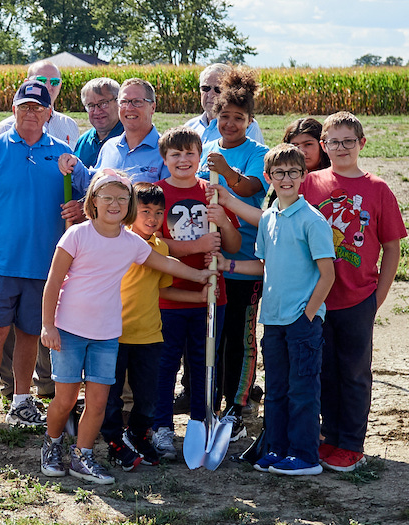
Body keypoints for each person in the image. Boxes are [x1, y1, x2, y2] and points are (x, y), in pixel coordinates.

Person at [39, 170, 214, 484]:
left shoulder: (131, 242)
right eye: (108, 197)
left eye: (122, 198)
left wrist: (201, 276)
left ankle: (83, 455)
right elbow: (53, 283)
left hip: (107, 334)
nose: (115, 203)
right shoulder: (77, 235)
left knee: (98, 402)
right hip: (69, 331)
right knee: (65, 399)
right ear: (93, 201)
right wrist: (48, 326)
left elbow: (167, 264)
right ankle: (51, 445)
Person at [0, 80, 87, 435]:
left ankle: (20, 402)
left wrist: (79, 205)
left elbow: (90, 199)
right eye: (24, 107)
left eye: (38, 107)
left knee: (31, 333)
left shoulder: (63, 155)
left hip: (44, 267)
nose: (31, 113)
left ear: (49, 113)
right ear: (14, 110)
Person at [213, 143, 336, 476]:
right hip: (272, 320)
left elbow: (328, 274)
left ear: (303, 176)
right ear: (268, 177)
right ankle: (278, 449)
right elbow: (264, 266)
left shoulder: (312, 220)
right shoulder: (268, 219)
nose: (286, 178)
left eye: (292, 172)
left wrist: (308, 314)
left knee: (303, 389)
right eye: (279, 173)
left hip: (301, 321)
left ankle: (304, 454)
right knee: (277, 390)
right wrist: (229, 265)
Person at [298, 111, 407, 471]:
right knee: (323, 370)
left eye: (348, 141)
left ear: (361, 144)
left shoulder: (377, 189)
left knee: (354, 372)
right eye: (334, 141)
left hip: (358, 297)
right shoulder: (310, 183)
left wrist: (379, 296)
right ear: (324, 145)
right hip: (315, 297)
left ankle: (351, 444)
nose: (341, 147)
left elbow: (392, 246)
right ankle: (329, 437)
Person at [99, 182, 208, 469]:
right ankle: (113, 440)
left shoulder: (159, 244)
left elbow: (164, 289)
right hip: (115, 333)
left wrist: (199, 295)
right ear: (131, 211)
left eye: (159, 212)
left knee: (148, 397)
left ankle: (139, 435)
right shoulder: (119, 240)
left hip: (149, 335)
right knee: (111, 397)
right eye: (145, 210)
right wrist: (199, 276)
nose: (152, 218)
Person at [0, 61, 84, 403]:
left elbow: (81, 180)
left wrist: (80, 204)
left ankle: (47, 385)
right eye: (40, 80)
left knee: (45, 316)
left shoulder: (67, 131)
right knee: (5, 325)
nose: (48, 84)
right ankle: (9, 387)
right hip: (10, 244)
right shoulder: (3, 132)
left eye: (54, 81)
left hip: (50, 242)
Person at [151, 127, 241, 459]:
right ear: (165, 159)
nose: (183, 160)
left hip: (211, 297)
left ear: (200, 155)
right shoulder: (157, 195)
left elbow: (232, 244)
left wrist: (225, 224)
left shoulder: (211, 192)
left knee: (206, 363)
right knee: (166, 363)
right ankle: (161, 426)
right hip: (168, 296)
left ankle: (202, 421)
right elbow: (151, 246)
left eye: (190, 153)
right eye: (175, 155)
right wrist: (195, 245)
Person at [199, 69, 270, 438]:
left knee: (240, 339)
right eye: (224, 116)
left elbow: (250, 187)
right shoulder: (206, 151)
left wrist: (225, 171)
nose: (230, 123)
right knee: (213, 334)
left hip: (243, 262)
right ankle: (207, 403)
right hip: (210, 263)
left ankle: (236, 406)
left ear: (250, 121)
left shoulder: (259, 153)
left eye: (238, 118)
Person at [93, 78, 170, 183]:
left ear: (153, 107)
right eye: (124, 102)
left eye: (137, 102)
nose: (129, 108)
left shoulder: (166, 151)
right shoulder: (109, 147)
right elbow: (93, 185)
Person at [0, 60, 80, 146]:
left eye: (54, 81)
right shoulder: (5, 128)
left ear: (60, 85)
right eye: (41, 80)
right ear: (27, 83)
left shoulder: (70, 125)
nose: (48, 87)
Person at [185, 63, 264, 144]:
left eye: (218, 89)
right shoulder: (190, 127)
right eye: (205, 88)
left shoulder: (247, 127)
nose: (210, 95)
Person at [74, 77, 124, 168]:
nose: (97, 111)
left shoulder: (129, 139)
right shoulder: (83, 142)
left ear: (118, 102)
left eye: (103, 103)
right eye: (91, 105)